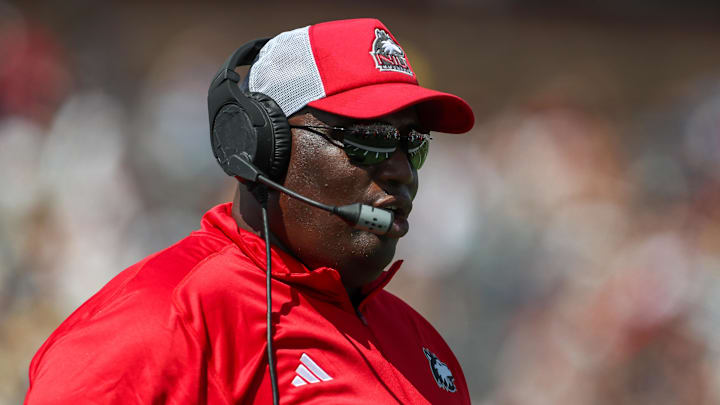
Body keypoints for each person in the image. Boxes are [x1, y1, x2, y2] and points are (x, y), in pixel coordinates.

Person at [25, 18, 475, 404]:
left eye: (413, 144)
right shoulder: (162, 320)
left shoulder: (423, 346)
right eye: (370, 138)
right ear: (260, 145)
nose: (402, 171)